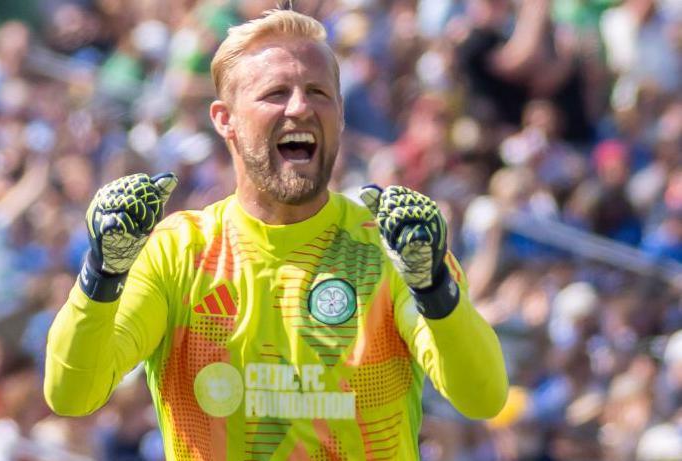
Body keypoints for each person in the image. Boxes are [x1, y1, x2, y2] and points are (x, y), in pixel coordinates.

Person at [44, 9, 507, 460]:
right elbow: (71, 395)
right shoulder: (179, 251)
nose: (301, 107)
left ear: (341, 114)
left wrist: (433, 288)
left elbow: (481, 398)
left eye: (319, 92)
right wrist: (102, 271)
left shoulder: (391, 247)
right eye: (275, 93)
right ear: (225, 119)